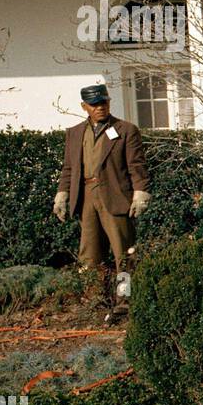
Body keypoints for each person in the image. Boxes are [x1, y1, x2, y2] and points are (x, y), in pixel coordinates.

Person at [53, 83, 150, 281]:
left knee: (124, 254)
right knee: (89, 254)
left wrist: (140, 192)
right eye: (94, 104)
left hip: (115, 197)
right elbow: (69, 168)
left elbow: (136, 165)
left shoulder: (125, 130)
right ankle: (94, 300)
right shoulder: (75, 133)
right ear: (84, 106)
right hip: (86, 196)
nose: (100, 107)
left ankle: (126, 301)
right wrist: (62, 194)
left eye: (104, 102)